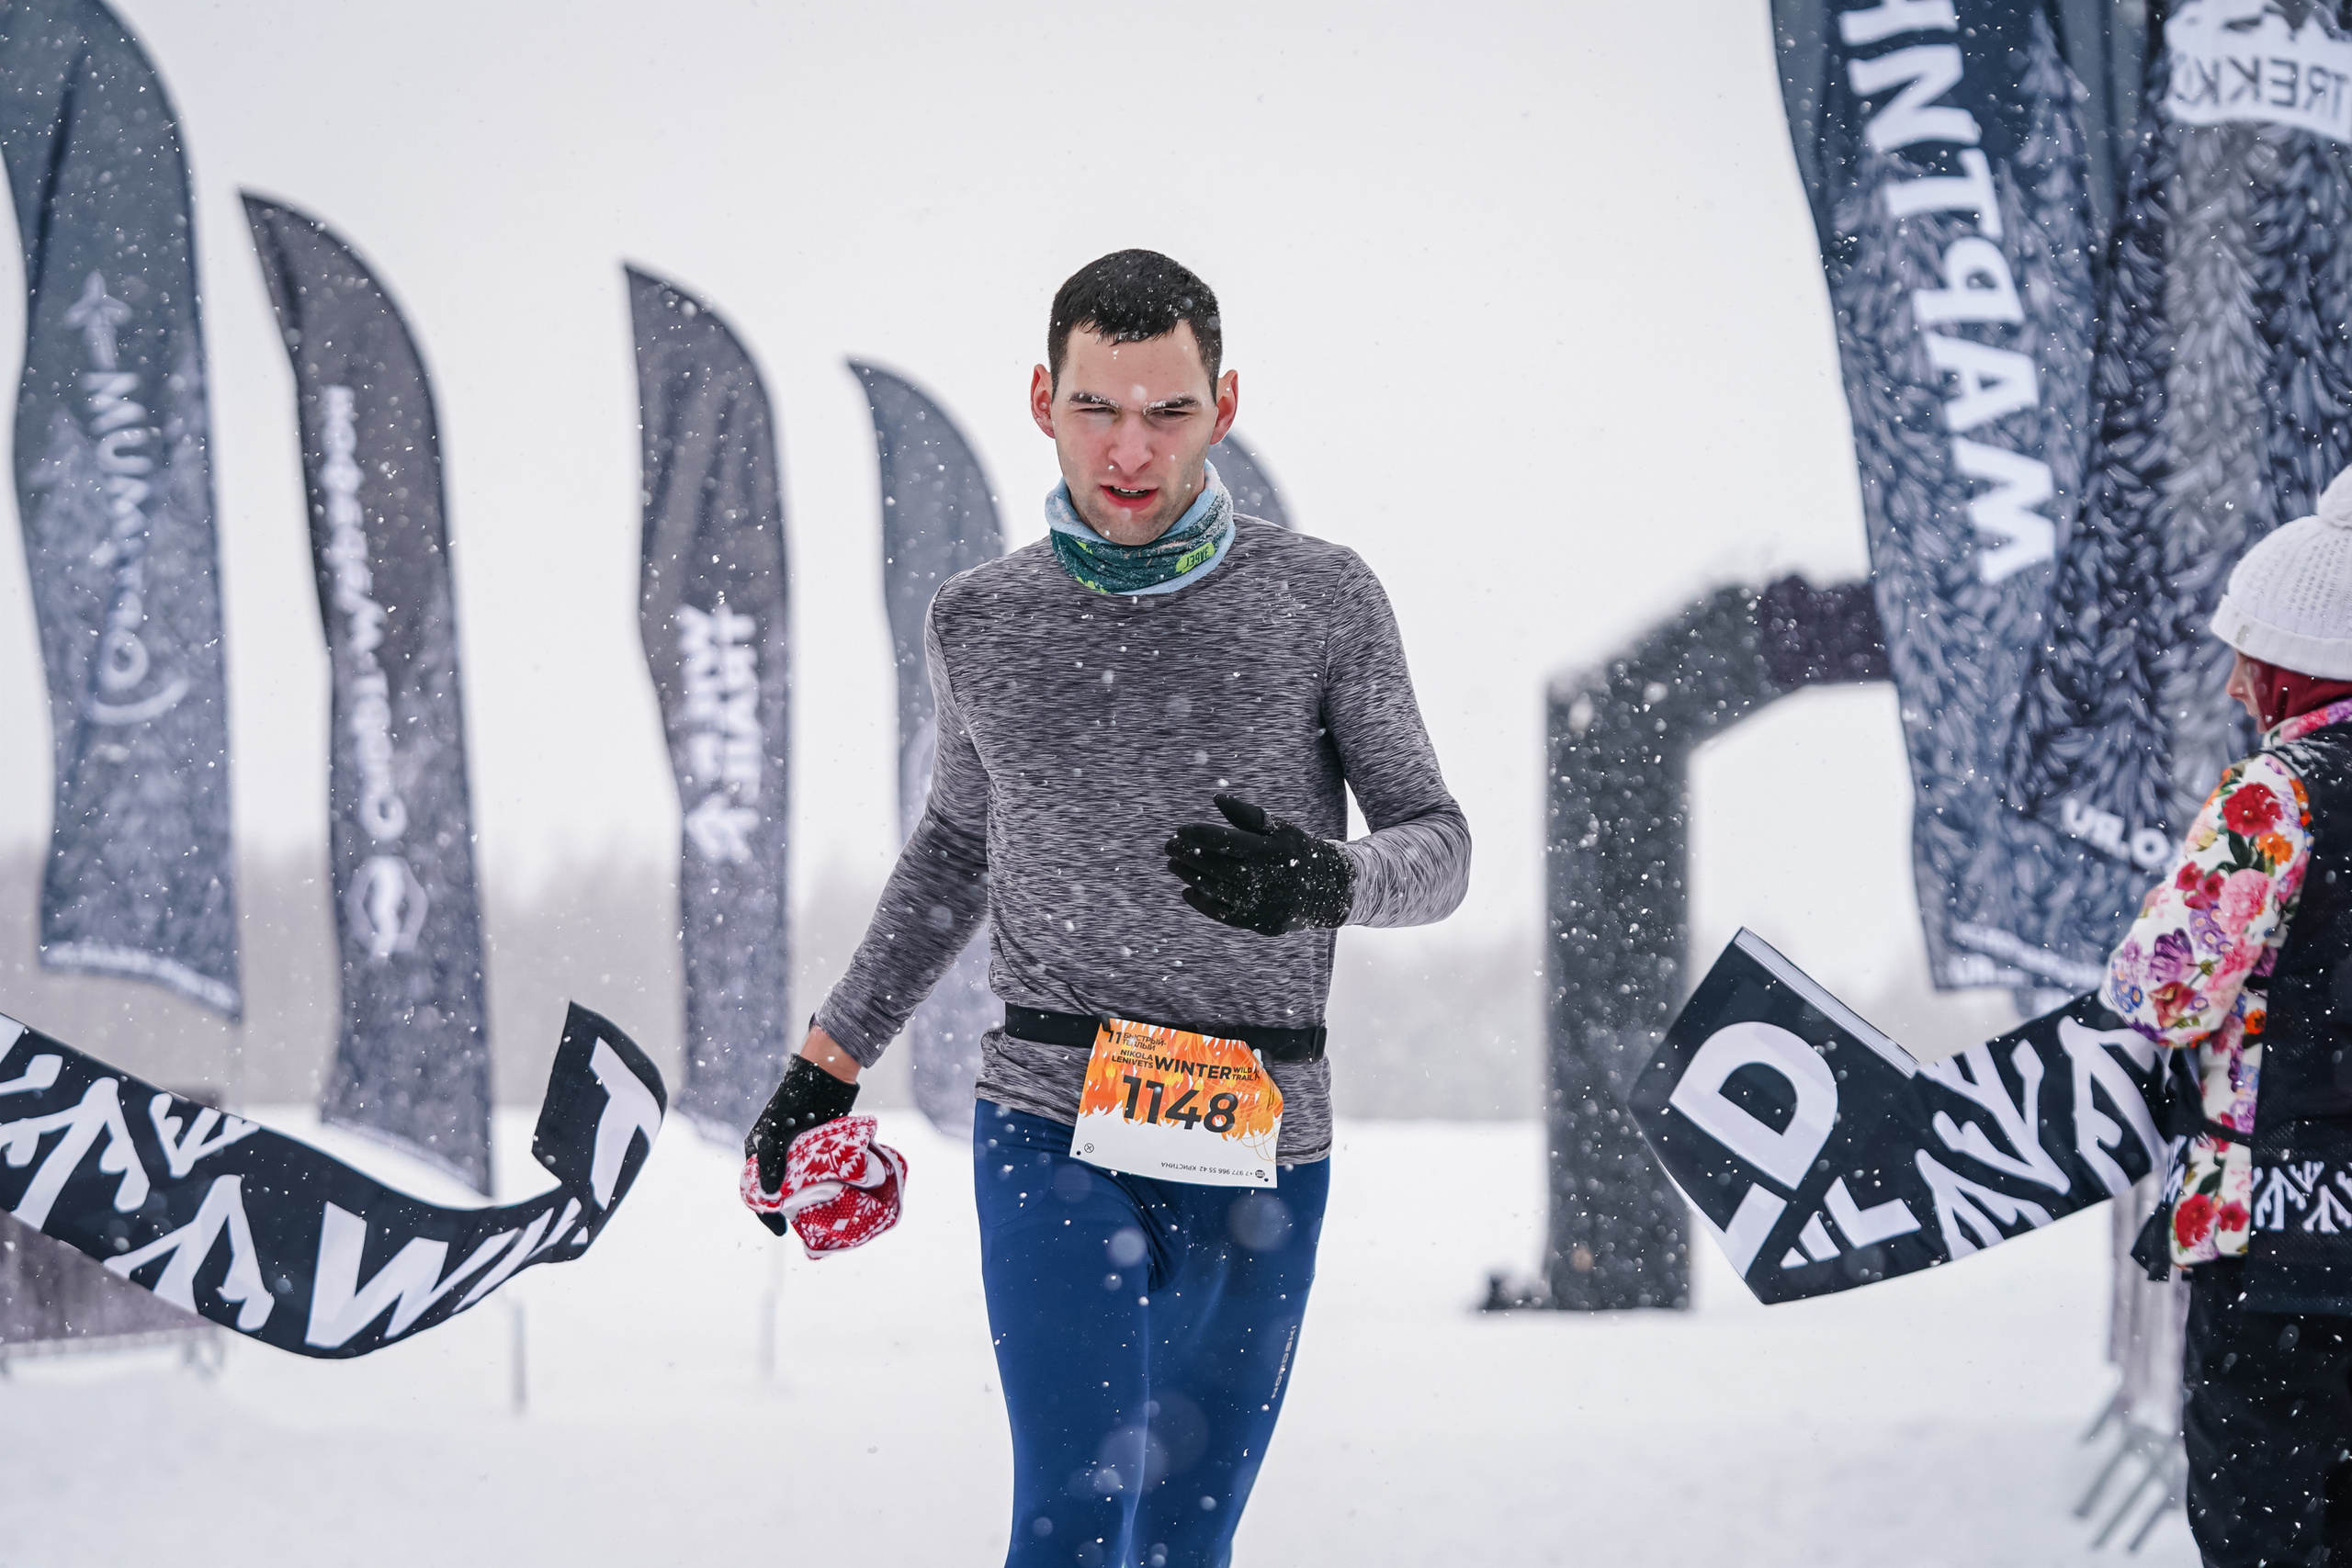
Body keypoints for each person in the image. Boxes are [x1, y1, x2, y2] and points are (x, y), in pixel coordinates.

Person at [742, 249, 1470, 1567]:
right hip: (1051, 1114)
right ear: (1043, 398)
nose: (1129, 449)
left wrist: (1328, 878)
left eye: (1167, 411)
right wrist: (826, 1060)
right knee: (1077, 1519)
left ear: (1224, 405)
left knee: (1185, 1543)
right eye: (1098, 407)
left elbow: (1441, 843)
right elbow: (956, 849)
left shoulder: (1322, 599)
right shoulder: (981, 619)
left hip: (1264, 1132)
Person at [2102, 468, 2352, 1565]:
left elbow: (2160, 988)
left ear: (2290, 667)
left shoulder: (2278, 794)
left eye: (2242, 658)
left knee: (2271, 1528)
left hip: (2284, 1248)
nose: (2233, 688)